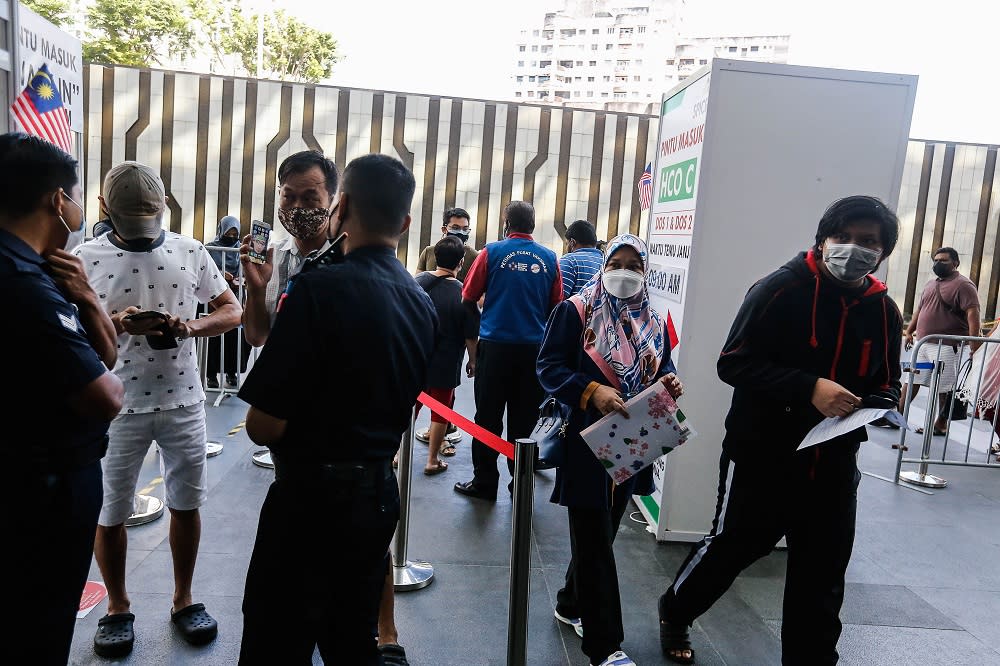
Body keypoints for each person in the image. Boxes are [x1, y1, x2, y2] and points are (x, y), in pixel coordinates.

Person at [657, 195, 903, 665]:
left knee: (823, 571)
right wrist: (808, 387)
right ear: (822, 240)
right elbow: (733, 363)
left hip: (833, 462)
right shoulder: (779, 289)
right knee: (733, 548)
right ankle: (676, 609)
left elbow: (885, 380)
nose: (853, 248)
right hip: (763, 454)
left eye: (868, 242)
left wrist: (883, 402)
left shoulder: (883, 310)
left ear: (884, 251)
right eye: (843, 238)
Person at [237, 154, 436, 665]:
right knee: (350, 638)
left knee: (275, 639)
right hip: (375, 496)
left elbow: (262, 424)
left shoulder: (318, 287)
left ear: (340, 205)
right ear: (406, 223)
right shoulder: (420, 300)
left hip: (309, 501)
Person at [75, 161, 242, 658]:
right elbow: (70, 331)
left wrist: (188, 327)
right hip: (116, 405)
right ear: (105, 210)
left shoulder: (190, 251)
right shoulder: (85, 257)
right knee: (110, 512)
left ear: (165, 207)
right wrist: (117, 323)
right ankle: (117, 607)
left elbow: (230, 309)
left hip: (184, 398)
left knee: (186, 503)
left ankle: (184, 598)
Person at [0, 132, 124, 666]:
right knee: (39, 622)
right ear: (59, 201)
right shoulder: (22, 282)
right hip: (41, 489)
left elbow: (105, 356)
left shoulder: (45, 270)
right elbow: (106, 393)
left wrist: (89, 300)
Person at [538, 234, 684, 666]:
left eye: (634, 265)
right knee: (595, 540)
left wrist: (669, 384)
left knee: (601, 534)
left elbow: (665, 367)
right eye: (616, 262)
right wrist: (592, 391)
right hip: (586, 441)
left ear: (646, 271)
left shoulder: (653, 320)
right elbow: (548, 368)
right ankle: (604, 645)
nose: (624, 272)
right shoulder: (576, 311)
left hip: (633, 439)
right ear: (604, 266)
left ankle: (569, 602)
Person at [454, 200, 562, 501]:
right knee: (525, 421)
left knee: (487, 416)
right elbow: (556, 308)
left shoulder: (491, 252)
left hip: (495, 348)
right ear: (533, 224)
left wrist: (479, 336)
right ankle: (521, 485)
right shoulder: (550, 259)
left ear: (506, 223)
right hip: (533, 352)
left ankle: (485, 482)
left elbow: (468, 297)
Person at [412, 235, 480, 472]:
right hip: (447, 360)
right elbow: (471, 334)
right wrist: (473, 360)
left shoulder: (417, 282)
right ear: (461, 262)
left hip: (415, 357)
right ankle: (431, 460)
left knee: (411, 404)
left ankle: (397, 454)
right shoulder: (464, 294)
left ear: (435, 257)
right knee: (441, 408)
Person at [899, 247, 981, 435]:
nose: (937, 264)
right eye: (935, 260)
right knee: (912, 378)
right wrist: (910, 331)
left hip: (947, 346)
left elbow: (973, 314)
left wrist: (973, 343)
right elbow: (920, 310)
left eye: (943, 260)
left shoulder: (964, 285)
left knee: (944, 386)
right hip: (924, 344)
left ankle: (941, 424)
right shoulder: (930, 284)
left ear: (955, 263)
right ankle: (897, 415)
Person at [205, 215, 249, 388]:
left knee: (235, 337)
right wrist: (220, 275)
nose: (231, 237)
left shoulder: (241, 250)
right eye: (228, 233)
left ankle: (232, 373)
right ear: (221, 231)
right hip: (213, 301)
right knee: (213, 336)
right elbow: (204, 272)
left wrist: (241, 279)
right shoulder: (209, 249)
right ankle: (211, 375)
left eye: (234, 234)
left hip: (236, 299)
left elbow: (247, 273)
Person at [415, 206, 479, 282]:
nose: (461, 232)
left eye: (465, 229)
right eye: (455, 228)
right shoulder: (428, 252)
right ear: (444, 229)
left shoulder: (474, 257)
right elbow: (417, 283)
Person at [559, 219, 604, 298]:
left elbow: (559, 299)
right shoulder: (606, 262)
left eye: (567, 243)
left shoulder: (569, 261)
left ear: (572, 242)